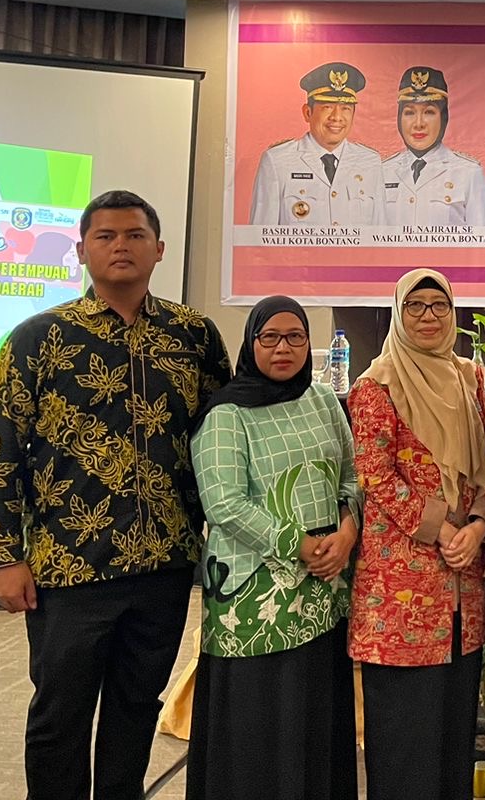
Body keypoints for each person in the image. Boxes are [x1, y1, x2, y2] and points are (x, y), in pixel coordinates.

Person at [0, 189, 231, 800]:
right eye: (106, 236)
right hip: (70, 566)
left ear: (159, 249)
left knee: (136, 707)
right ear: (82, 251)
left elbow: (223, 435)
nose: (121, 246)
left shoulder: (193, 336)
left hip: (165, 563)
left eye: (135, 235)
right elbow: (2, 450)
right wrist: (5, 556)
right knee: (59, 717)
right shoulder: (38, 338)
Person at [185, 296, 360, 800]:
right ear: (252, 342)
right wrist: (299, 545)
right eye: (271, 338)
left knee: (314, 723)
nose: (283, 348)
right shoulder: (226, 413)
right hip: (254, 600)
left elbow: (351, 477)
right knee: (259, 731)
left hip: (323, 594)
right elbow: (224, 504)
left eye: (295, 337)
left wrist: (347, 533)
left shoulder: (323, 400)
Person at [349, 269, 485, 800]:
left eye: (439, 305)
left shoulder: (470, 377)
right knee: (403, 742)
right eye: (415, 306)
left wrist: (478, 524)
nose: (429, 316)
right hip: (400, 587)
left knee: (455, 738)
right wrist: (442, 529)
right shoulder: (376, 386)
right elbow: (375, 475)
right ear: (397, 313)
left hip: (463, 584)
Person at [250, 61, 386, 227]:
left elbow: (380, 233)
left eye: (345, 108)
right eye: (327, 107)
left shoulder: (370, 161)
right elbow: (260, 236)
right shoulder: (277, 161)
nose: (337, 117)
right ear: (307, 113)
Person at [378, 66, 485, 226]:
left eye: (429, 112)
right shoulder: (382, 172)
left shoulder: (468, 173)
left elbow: (482, 239)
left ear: (443, 117)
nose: (418, 124)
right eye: (410, 113)